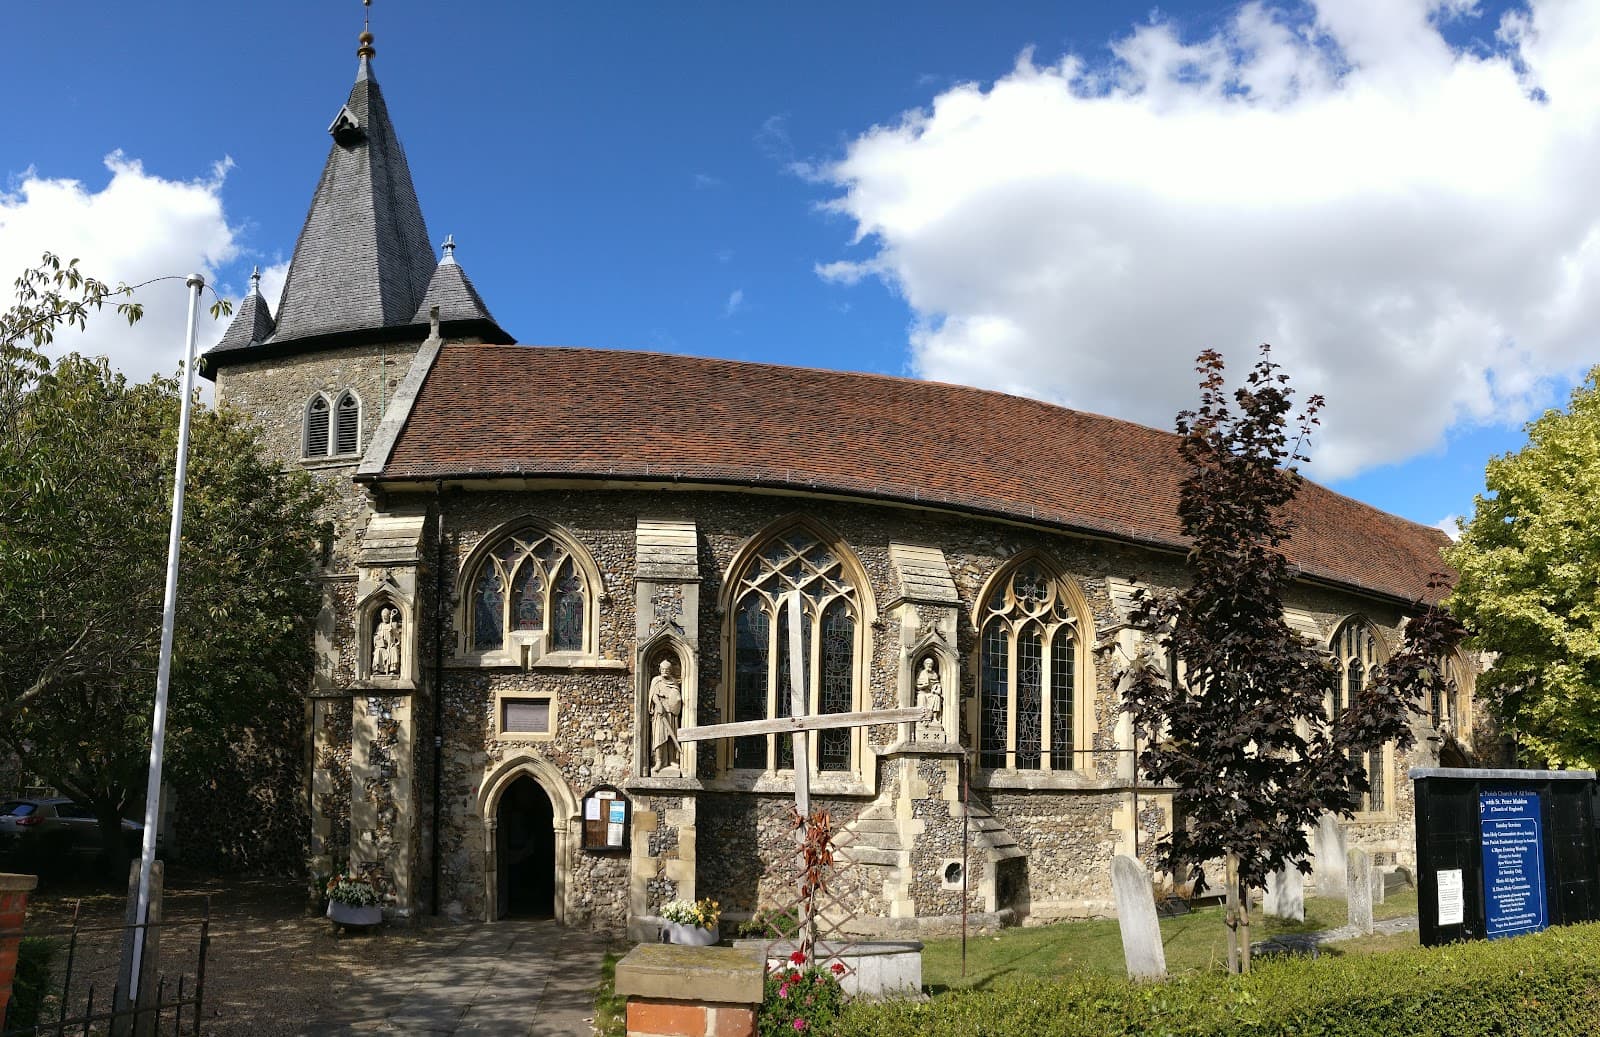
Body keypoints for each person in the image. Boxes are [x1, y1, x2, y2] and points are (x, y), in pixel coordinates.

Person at [649, 658, 684, 773]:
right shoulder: (656, 681)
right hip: (660, 714)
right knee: (659, 737)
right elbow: (653, 695)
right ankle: (659, 761)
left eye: (667, 669)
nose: (665, 671)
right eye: (663, 669)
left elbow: (676, 696)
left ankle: (672, 759)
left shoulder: (673, 681)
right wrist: (658, 705)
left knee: (671, 737)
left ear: (670, 670)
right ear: (660, 670)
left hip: (671, 713)